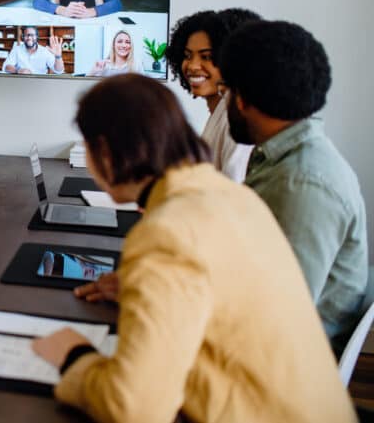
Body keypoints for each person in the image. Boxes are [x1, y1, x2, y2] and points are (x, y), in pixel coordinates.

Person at [31, 75, 355, 423]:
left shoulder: (166, 232)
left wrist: (75, 357)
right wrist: (146, 290)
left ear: (106, 153)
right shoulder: (230, 196)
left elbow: (134, 408)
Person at [221, 19, 367, 353]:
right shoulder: (282, 159)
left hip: (275, 372)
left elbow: (271, 321)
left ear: (241, 98)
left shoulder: (301, 185)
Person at [167, 8, 261, 182]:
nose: (193, 65)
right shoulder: (220, 111)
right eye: (187, 56)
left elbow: (234, 187)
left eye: (207, 57)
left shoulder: (237, 118)